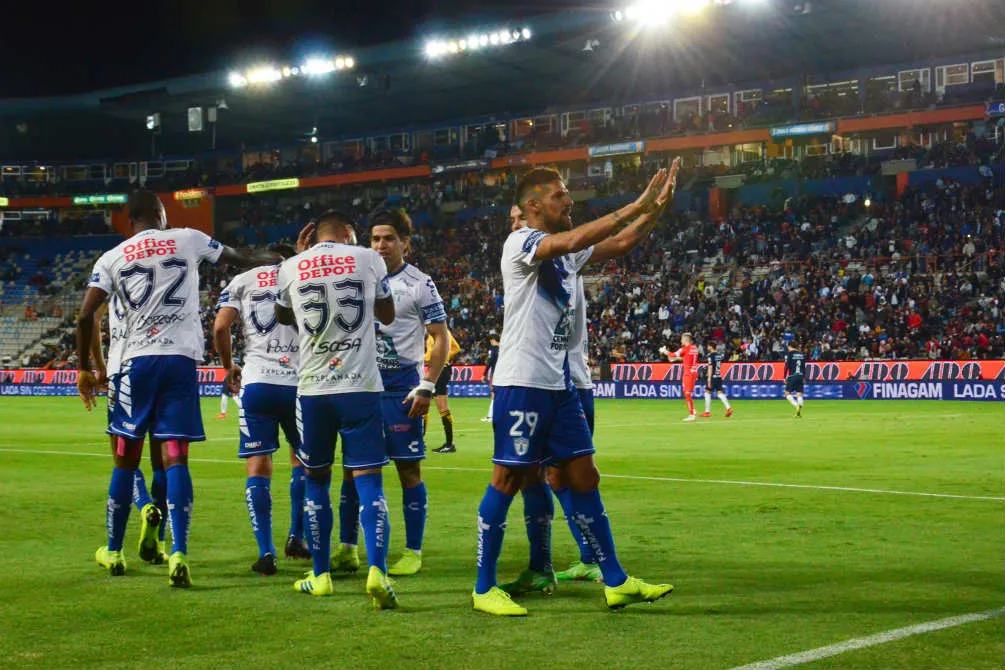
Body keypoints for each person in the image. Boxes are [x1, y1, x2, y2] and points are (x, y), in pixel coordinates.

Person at [472, 166, 675, 616]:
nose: (570, 202)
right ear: (534, 206)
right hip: (522, 382)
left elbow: (619, 243)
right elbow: (568, 241)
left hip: (559, 383)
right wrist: (635, 204)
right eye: (561, 196)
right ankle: (483, 587)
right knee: (508, 479)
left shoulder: (567, 255)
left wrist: (655, 209)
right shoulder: (520, 242)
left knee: (584, 477)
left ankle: (616, 580)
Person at [77, 188, 281, 587]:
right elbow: (240, 258)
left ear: (129, 220)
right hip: (180, 362)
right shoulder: (187, 237)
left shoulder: (111, 258)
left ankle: (115, 552)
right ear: (159, 212)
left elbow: (86, 316)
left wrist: (85, 369)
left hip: (134, 364)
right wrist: (281, 259)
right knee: (175, 458)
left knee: (124, 457)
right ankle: (178, 553)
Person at [274, 210, 399, 608]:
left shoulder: (292, 266)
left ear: (313, 236)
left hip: (313, 389)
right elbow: (387, 314)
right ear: (349, 233)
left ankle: (321, 575)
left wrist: (299, 260)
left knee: (316, 480)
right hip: (360, 385)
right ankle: (377, 570)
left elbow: (282, 317)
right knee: (369, 481)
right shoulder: (368, 258)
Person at [333, 209, 449, 579]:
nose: (381, 245)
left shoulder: (419, 283)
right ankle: (348, 548)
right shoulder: (357, 277)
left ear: (404, 243)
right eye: (375, 239)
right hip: (362, 386)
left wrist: (427, 387)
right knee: (353, 471)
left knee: (408, 470)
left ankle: (413, 551)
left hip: (402, 389)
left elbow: (441, 337)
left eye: (388, 238)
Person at [213, 236, 313, 577]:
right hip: (299, 383)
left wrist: (229, 367)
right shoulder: (302, 276)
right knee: (304, 463)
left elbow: (221, 326)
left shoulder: (242, 281)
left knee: (258, 467)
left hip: (257, 383)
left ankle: (265, 553)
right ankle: (296, 537)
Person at [89, 300, 168, 567]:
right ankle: (159, 546)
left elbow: (90, 318)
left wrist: (99, 366)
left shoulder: (113, 271)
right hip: (160, 366)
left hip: (122, 371)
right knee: (164, 463)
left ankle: (143, 509)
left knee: (123, 461)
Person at [426, 328, 461, 453]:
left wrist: (441, 358)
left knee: (441, 408)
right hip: (438, 369)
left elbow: (430, 354)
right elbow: (456, 348)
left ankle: (449, 444)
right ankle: (422, 442)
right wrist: (445, 357)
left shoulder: (438, 332)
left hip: (439, 370)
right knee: (425, 405)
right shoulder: (442, 332)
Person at [662, 332, 699, 422]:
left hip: (688, 373)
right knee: (686, 392)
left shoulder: (685, 349)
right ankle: (693, 410)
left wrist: (664, 351)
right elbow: (687, 358)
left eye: (682, 339)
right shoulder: (694, 348)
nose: (681, 341)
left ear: (686, 340)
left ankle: (692, 414)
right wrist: (677, 359)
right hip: (693, 372)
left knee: (687, 393)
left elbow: (672, 355)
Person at [700, 339, 733, 418]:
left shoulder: (710, 356)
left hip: (713, 377)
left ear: (711, 347)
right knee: (720, 393)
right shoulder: (719, 355)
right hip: (719, 376)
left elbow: (710, 367)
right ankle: (729, 408)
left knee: (707, 392)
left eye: (708, 346)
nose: (707, 347)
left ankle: (707, 412)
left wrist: (709, 379)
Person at [784, 339, 807, 418]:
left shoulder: (790, 354)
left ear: (789, 346)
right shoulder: (801, 354)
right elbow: (804, 367)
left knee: (787, 393)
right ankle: (799, 412)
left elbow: (787, 366)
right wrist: (804, 377)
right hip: (800, 376)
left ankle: (796, 405)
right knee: (799, 394)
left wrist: (784, 377)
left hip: (792, 376)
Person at [481, 334, 499, 423]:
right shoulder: (503, 348)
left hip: (495, 373)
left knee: (493, 393)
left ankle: (490, 416)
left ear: (492, 340)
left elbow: (490, 361)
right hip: (503, 374)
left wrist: (484, 374)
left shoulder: (493, 349)